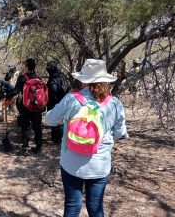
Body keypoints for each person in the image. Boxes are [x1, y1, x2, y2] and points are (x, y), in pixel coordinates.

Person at [45, 59, 128, 216]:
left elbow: (50, 120)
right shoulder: (115, 104)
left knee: (72, 206)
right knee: (96, 207)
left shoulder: (71, 99)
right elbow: (119, 133)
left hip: (71, 162)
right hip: (100, 164)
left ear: (84, 80)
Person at [15, 58, 43, 154]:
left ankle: (25, 147)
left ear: (26, 66)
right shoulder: (39, 78)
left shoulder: (22, 78)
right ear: (34, 66)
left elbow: (16, 91)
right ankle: (38, 147)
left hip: (25, 106)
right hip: (37, 107)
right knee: (37, 127)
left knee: (25, 126)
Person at [46, 61, 70, 144]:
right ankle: (59, 137)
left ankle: (56, 138)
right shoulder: (63, 76)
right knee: (62, 120)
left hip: (55, 102)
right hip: (64, 101)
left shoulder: (53, 78)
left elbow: (53, 89)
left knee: (55, 120)